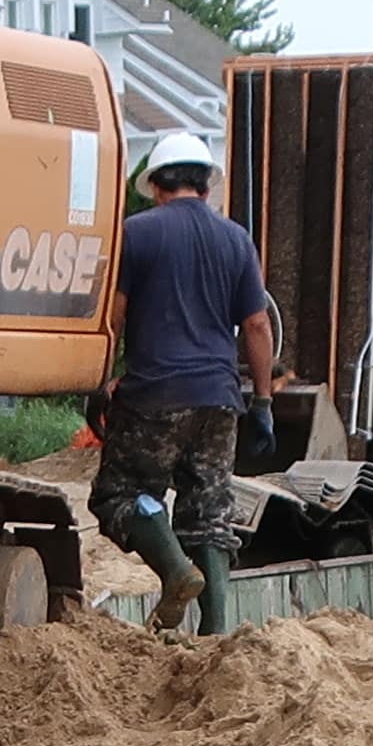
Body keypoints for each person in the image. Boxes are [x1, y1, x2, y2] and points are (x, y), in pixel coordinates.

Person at [94, 132, 279, 632]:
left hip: (153, 394)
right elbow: (258, 325)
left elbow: (114, 315)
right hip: (219, 399)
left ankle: (175, 570)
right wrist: (261, 402)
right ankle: (216, 631)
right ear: (205, 186)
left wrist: (100, 379)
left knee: (118, 494)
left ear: (155, 186)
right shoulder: (237, 239)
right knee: (210, 512)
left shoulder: (137, 233)